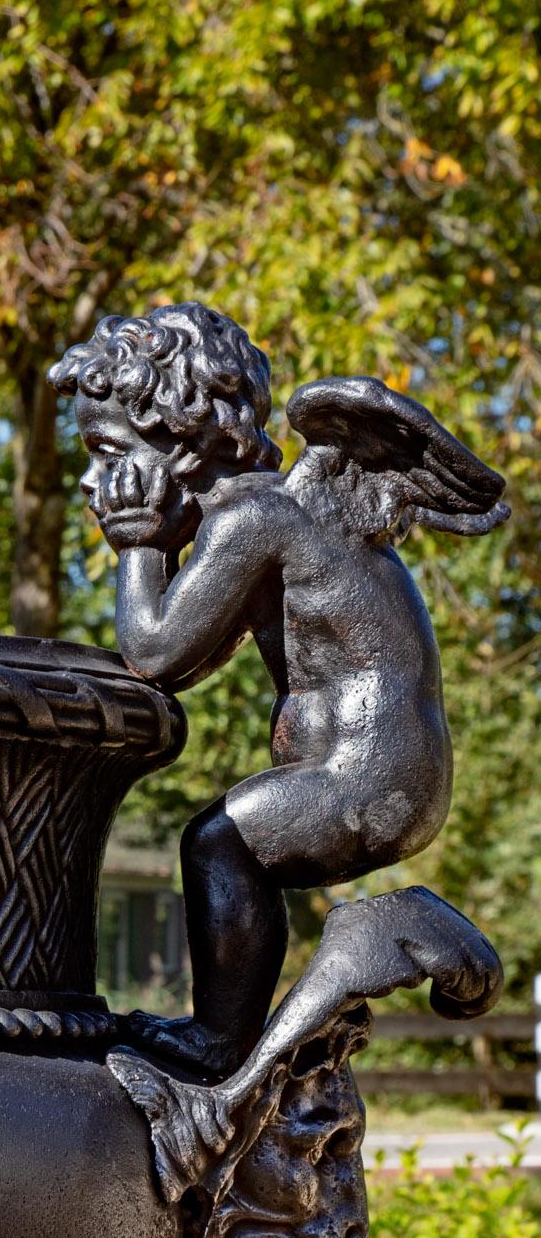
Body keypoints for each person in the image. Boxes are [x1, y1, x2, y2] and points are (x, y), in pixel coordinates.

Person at [51, 303, 506, 1075]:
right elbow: (193, 652)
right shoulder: (277, 514)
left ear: (179, 441)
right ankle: (368, 950)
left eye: (106, 452)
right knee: (230, 842)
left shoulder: (253, 517)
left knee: (218, 843)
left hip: (371, 773)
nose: (96, 481)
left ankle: (219, 1042)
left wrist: (137, 545)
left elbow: (157, 654)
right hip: (390, 768)